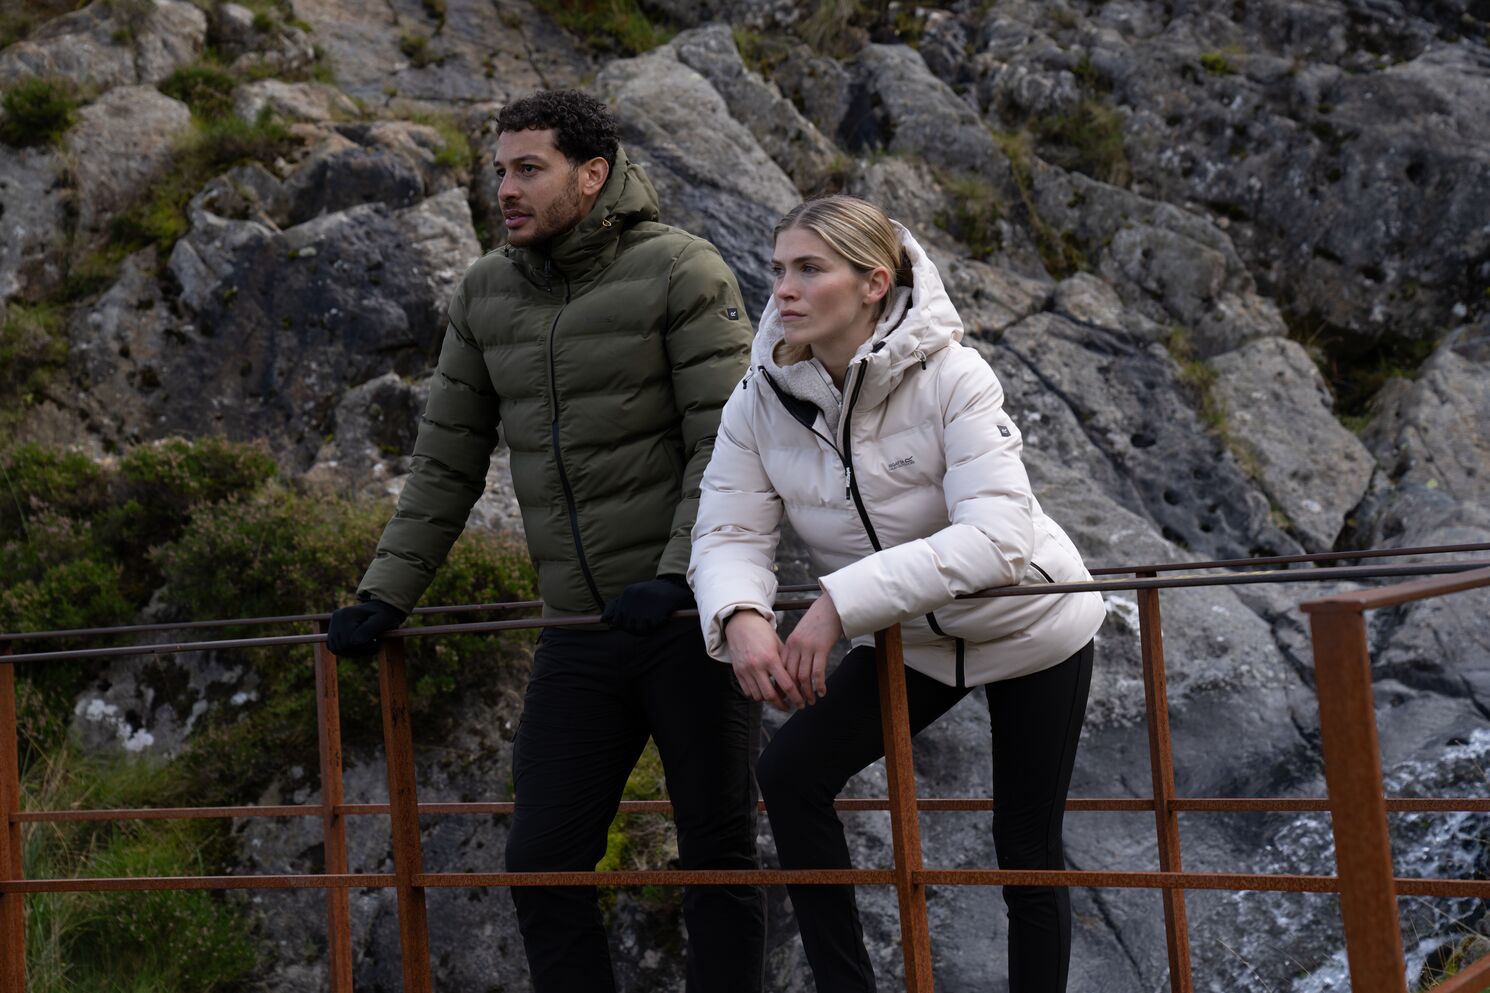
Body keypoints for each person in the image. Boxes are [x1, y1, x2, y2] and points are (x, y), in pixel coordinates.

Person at [326, 89, 765, 993]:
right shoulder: (486, 291)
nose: (507, 189)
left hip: (691, 621)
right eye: (500, 171)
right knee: (542, 861)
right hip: (577, 631)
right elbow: (446, 458)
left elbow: (726, 444)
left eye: (530, 169)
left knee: (716, 854)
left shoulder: (683, 269)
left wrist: (680, 577)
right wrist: (385, 593)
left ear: (591, 174)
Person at [688, 195, 1106, 993]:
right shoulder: (760, 396)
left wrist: (835, 606)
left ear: (874, 283)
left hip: (1032, 623)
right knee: (791, 773)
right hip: (913, 638)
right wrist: (739, 612)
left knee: (1024, 848)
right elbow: (728, 529)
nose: (784, 289)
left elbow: (998, 538)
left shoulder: (953, 374)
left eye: (810, 269)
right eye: (779, 269)